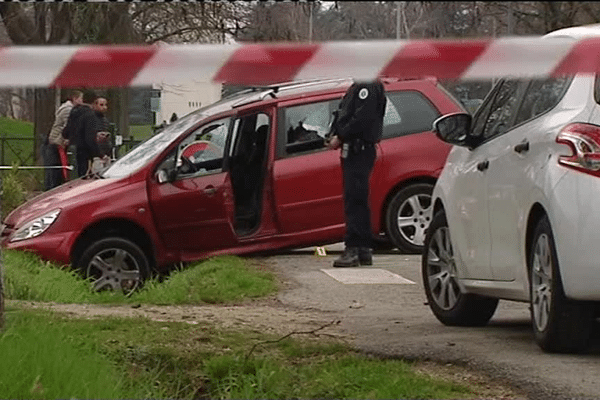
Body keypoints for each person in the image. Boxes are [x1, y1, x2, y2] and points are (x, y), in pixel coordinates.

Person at [327, 79, 387, 268]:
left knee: (355, 200)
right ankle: (362, 249)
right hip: (355, 149)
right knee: (357, 199)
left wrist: (341, 135)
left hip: (358, 149)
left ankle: (353, 248)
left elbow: (362, 117)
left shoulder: (367, 86)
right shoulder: (360, 85)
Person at [63, 90, 110, 177]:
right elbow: (90, 138)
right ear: (94, 103)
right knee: (83, 177)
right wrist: (100, 154)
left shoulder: (74, 111)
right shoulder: (90, 115)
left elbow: (65, 132)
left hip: (72, 150)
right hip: (84, 152)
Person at [43, 90, 83, 190]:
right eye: (80, 99)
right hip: (58, 141)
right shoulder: (68, 110)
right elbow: (67, 126)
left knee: (57, 169)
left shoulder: (68, 109)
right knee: (55, 169)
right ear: (75, 98)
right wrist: (67, 139)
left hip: (57, 141)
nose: (82, 101)